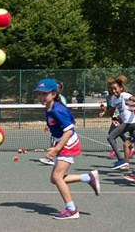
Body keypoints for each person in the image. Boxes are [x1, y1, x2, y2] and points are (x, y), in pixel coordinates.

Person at [35, 78, 100, 220]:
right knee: (54, 179)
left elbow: (69, 131)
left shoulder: (58, 110)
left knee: (57, 177)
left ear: (53, 94)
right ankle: (87, 177)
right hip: (62, 142)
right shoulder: (49, 108)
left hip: (68, 144)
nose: (41, 97)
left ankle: (72, 209)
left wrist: (56, 149)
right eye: (39, 94)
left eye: (44, 94)